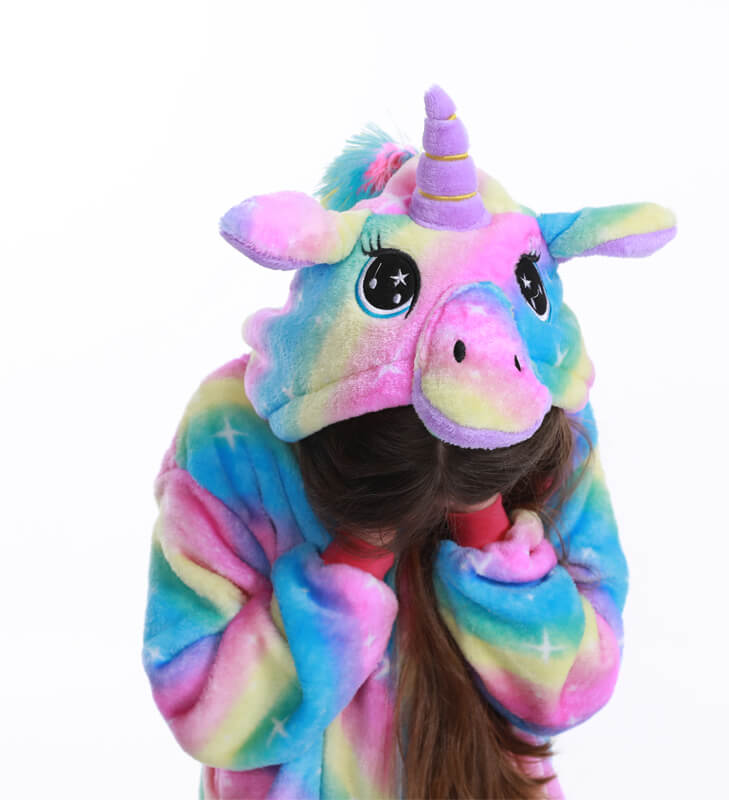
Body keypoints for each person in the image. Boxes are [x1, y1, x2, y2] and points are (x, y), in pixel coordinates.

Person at [142, 85, 676, 799]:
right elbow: (199, 704)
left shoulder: (545, 418)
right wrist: (359, 554)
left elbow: (577, 683)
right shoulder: (235, 432)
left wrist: (482, 519)